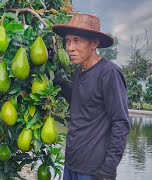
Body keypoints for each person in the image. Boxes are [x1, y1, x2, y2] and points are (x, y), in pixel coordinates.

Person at [52, 14, 131, 180]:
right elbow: (80, 101)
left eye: (77, 40)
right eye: (67, 41)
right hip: (72, 162)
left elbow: (120, 123)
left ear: (94, 43)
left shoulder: (109, 73)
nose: (70, 47)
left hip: (93, 170)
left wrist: (109, 168)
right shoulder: (79, 71)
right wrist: (56, 78)